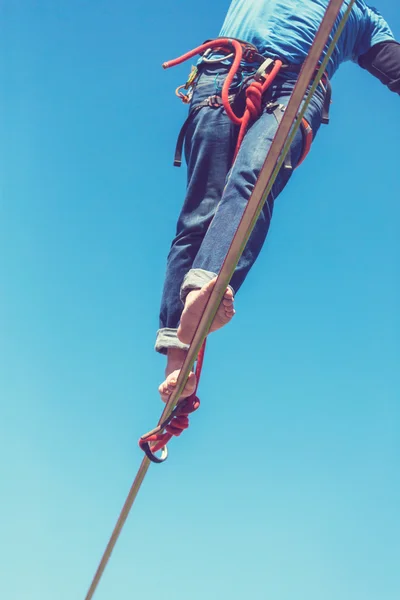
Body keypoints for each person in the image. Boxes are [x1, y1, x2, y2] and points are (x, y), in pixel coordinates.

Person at [155, 0, 399, 403]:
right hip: (221, 74)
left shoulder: (361, 18)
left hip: (296, 88)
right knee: (198, 215)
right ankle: (177, 358)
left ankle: (209, 288)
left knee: (255, 175)